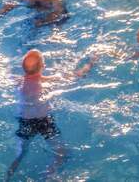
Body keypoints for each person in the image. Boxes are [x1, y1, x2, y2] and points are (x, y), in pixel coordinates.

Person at [6, 49, 90, 180]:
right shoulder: (48, 81)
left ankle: (7, 177)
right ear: (43, 66)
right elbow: (78, 75)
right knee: (62, 154)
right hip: (44, 121)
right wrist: (90, 63)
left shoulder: (18, 82)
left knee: (21, 153)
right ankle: (48, 175)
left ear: (23, 69)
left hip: (25, 121)